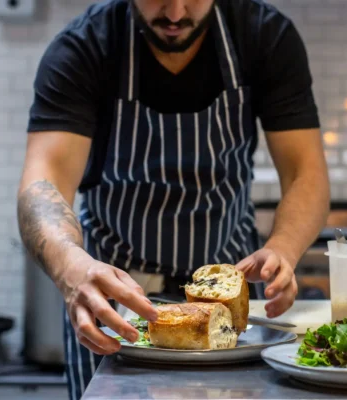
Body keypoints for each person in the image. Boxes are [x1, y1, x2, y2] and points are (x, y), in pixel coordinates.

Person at [17, 0, 329, 398]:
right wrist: (70, 266)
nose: (177, 13)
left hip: (228, 323)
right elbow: (43, 183)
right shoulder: (85, 48)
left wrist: (283, 248)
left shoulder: (263, 36)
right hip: (115, 313)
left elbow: (307, 173)